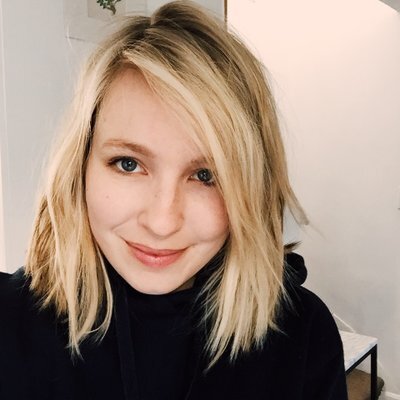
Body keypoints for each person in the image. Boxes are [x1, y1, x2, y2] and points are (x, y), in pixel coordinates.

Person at [0, 1, 348, 399]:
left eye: (206, 176)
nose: (162, 222)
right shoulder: (7, 324)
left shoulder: (303, 337)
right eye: (129, 164)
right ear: (79, 166)